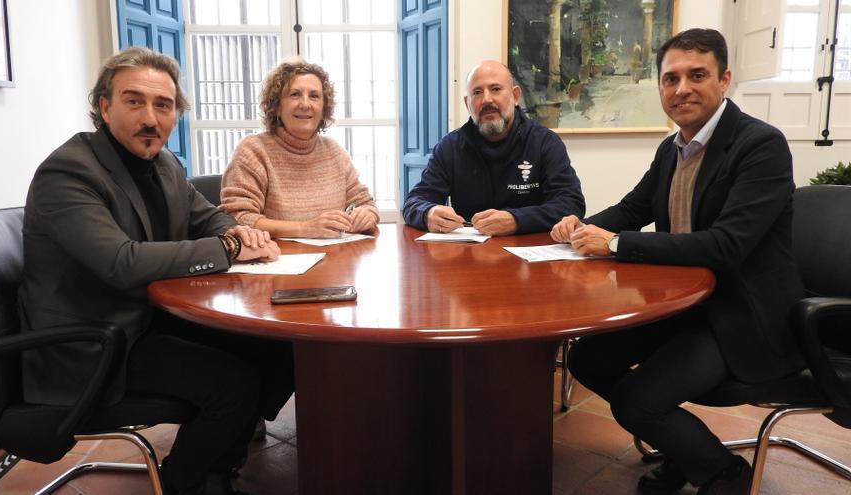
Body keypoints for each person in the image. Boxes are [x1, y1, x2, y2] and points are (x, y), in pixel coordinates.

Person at [19, 46, 292, 495]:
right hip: (96, 342)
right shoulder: (68, 172)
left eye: (163, 105)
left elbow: (208, 217)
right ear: (104, 106)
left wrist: (242, 233)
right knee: (235, 384)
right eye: (134, 101)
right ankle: (183, 480)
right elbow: (121, 261)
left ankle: (217, 463)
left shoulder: (164, 163)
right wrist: (226, 248)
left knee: (276, 347)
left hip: (145, 319)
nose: (150, 117)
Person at [551, 29, 804, 494]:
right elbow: (633, 209)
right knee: (588, 359)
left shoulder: (760, 145)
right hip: (684, 305)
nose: (682, 88)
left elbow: (726, 246)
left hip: (739, 316)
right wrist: (577, 227)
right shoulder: (672, 148)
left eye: (697, 75)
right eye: (671, 79)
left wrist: (613, 245)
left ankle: (723, 473)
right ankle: (684, 450)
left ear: (724, 79)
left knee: (638, 402)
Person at [402, 60, 585, 236]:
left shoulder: (545, 143)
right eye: (477, 93)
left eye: (495, 89)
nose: (486, 100)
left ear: (515, 96)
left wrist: (516, 220)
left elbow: (571, 203)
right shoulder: (450, 147)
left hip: (531, 257)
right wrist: (428, 213)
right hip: (468, 257)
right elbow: (413, 202)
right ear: (468, 104)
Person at [221, 58, 379, 238]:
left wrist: (367, 214)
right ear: (276, 107)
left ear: (323, 109)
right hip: (277, 261)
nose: (305, 104)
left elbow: (365, 203)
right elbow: (238, 219)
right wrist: (304, 228)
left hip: (336, 259)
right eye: (295, 94)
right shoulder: (253, 151)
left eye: (314, 96)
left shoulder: (334, 151)